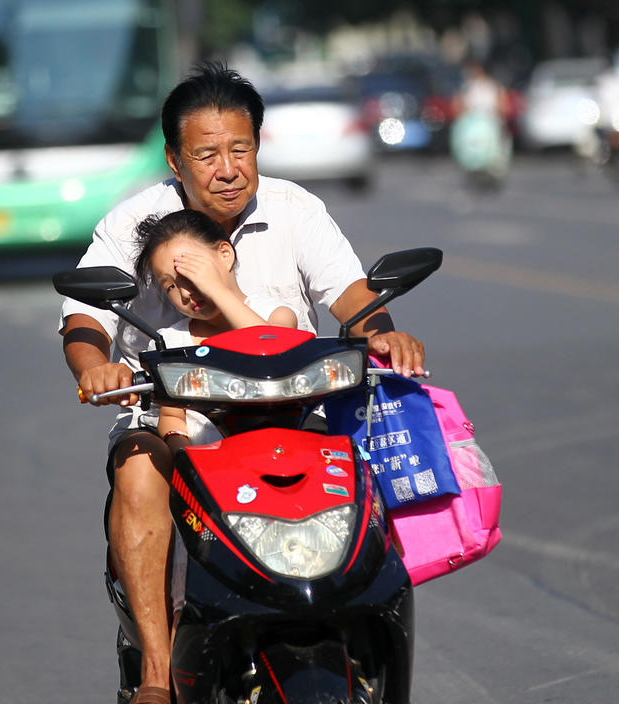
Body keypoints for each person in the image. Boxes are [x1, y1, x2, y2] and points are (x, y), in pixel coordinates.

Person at [58, 62, 426, 704]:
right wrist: (95, 367)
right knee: (140, 466)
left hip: (296, 414)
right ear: (175, 160)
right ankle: (154, 668)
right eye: (206, 154)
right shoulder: (134, 223)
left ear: (257, 147)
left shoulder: (294, 209)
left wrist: (382, 333)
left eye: (240, 149)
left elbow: (349, 294)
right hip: (173, 420)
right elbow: (84, 316)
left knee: (362, 475)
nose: (227, 168)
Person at [133, 208, 299, 449]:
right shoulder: (173, 343)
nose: (185, 292)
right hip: (205, 459)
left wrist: (216, 290)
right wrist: (184, 453)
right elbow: (172, 417)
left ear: (224, 254)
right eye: (170, 287)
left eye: (190, 272)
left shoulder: (276, 315)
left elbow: (272, 350)